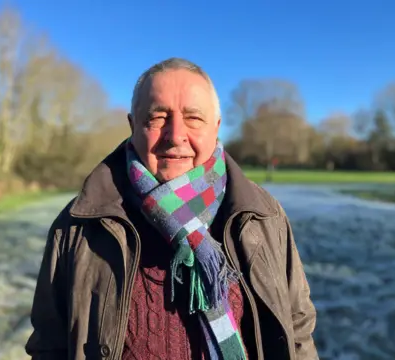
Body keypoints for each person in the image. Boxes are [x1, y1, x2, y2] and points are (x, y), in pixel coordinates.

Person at [25, 58, 318, 360]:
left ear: (216, 127)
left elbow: (297, 330)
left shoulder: (263, 216)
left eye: (193, 118)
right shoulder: (79, 225)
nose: (176, 135)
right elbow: (50, 346)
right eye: (158, 117)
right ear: (133, 125)